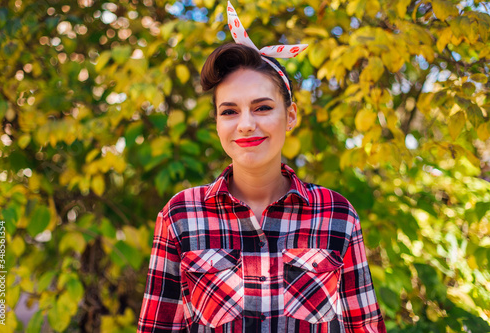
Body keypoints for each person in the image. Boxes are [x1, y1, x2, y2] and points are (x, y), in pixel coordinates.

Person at [138, 2, 386, 332]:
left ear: (291, 116)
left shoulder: (337, 215)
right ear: (216, 124)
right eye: (229, 112)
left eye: (262, 107)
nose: (245, 124)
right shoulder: (180, 216)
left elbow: (365, 327)